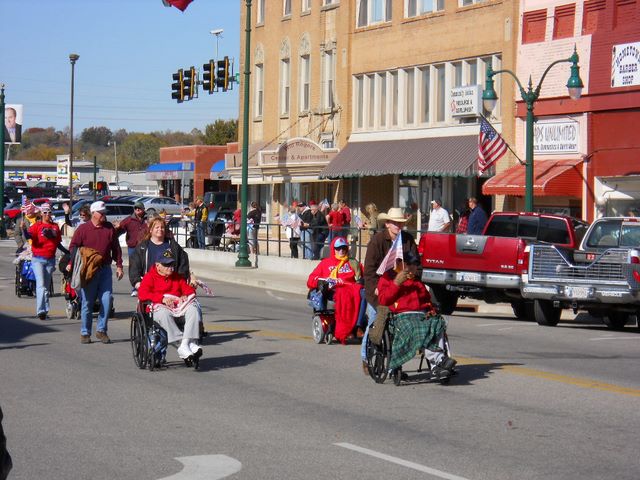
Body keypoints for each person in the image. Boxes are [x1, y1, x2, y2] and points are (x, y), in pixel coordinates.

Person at [377, 252, 457, 379]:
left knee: (437, 323)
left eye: (415, 264)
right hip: (400, 315)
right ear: (400, 263)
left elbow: (426, 300)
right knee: (418, 327)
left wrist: (430, 309)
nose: (413, 267)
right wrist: (396, 283)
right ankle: (439, 359)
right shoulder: (388, 278)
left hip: (420, 315)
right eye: (409, 264)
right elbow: (383, 300)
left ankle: (436, 365)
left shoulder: (417, 281)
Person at [361, 207, 420, 375]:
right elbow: (369, 271)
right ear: (387, 224)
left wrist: (412, 274)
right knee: (376, 320)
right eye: (395, 223)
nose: (398, 226)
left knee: (401, 325)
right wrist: (375, 289)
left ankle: (395, 364)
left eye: (400, 223)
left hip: (401, 288)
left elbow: (416, 263)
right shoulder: (377, 241)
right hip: (379, 289)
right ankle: (366, 356)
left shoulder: (407, 240)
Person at [68, 201, 124, 344]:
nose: (104, 215)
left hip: (105, 269)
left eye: (104, 212)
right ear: (93, 213)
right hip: (89, 271)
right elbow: (73, 247)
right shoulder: (83, 229)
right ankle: (85, 332)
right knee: (87, 302)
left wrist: (119, 266)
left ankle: (101, 330)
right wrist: (75, 261)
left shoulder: (109, 228)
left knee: (107, 299)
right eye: (101, 212)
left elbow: (116, 248)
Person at [137, 249, 203, 361]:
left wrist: (184, 295)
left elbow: (190, 291)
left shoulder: (177, 277)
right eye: (167, 265)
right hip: (158, 309)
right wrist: (162, 299)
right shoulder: (149, 277)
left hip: (178, 309)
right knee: (164, 313)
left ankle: (186, 343)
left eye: (171, 264)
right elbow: (142, 294)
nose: (170, 267)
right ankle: (183, 343)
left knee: (193, 309)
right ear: (158, 265)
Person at [306, 237, 365, 344]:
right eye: (338, 248)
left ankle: (358, 326)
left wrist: (363, 280)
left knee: (364, 293)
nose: (341, 251)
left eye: (343, 248)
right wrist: (320, 282)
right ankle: (346, 329)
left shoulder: (353, 262)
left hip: (352, 289)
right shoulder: (325, 263)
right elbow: (311, 279)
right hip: (334, 291)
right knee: (344, 296)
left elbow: (365, 275)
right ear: (333, 249)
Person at [22, 203, 67, 320]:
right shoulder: (37, 226)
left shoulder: (55, 227)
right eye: (45, 212)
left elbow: (58, 243)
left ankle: (45, 311)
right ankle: (41, 311)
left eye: (49, 212)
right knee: (41, 285)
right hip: (38, 259)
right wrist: (24, 229)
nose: (47, 214)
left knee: (46, 287)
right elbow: (29, 236)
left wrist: (68, 252)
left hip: (50, 260)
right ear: (41, 213)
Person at [129, 216, 192, 291]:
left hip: (171, 287)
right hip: (149, 287)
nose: (160, 229)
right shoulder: (142, 247)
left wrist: (180, 282)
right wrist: (138, 284)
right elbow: (134, 267)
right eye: (157, 227)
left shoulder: (173, 245)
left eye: (162, 227)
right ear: (151, 230)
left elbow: (183, 263)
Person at [115, 201, 147, 296]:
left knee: (145, 267)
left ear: (143, 209)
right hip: (133, 247)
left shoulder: (147, 219)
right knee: (134, 268)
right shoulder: (129, 220)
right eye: (135, 208)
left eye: (139, 208)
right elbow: (120, 229)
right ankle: (135, 288)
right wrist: (116, 229)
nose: (137, 209)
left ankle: (145, 287)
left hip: (146, 246)